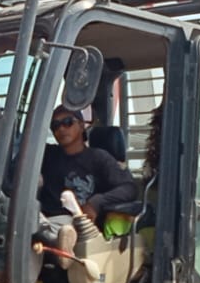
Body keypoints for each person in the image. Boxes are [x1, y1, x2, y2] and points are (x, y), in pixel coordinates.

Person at [39, 103, 137, 241]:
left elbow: (129, 188)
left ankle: (60, 245)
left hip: (76, 223)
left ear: (81, 125)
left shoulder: (99, 158)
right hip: (42, 219)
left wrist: (96, 202)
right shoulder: (46, 155)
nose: (61, 128)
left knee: (60, 231)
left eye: (67, 122)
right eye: (55, 125)